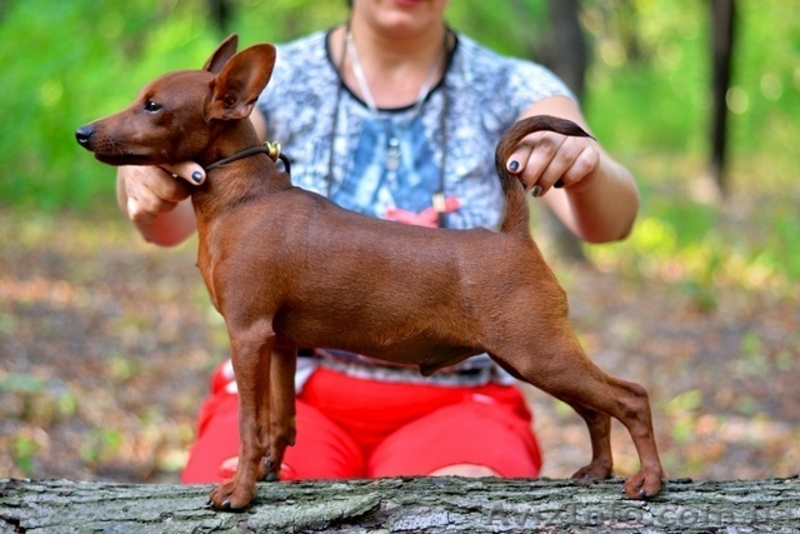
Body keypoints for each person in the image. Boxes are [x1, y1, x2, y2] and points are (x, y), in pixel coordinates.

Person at [116, 0, 639, 482]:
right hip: (302, 398)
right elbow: (166, 220)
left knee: (461, 509)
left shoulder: (514, 85)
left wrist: (585, 165)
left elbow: (610, 224)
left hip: (460, 405)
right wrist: (146, 178)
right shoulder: (282, 82)